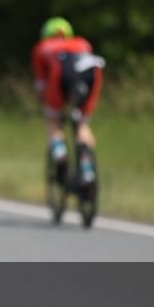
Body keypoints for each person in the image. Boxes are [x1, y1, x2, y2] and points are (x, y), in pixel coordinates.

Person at [31, 17, 103, 184]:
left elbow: (41, 84)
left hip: (61, 73)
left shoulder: (42, 47)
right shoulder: (82, 42)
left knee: (54, 120)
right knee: (82, 123)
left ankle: (60, 153)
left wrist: (44, 103)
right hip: (92, 73)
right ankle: (87, 169)